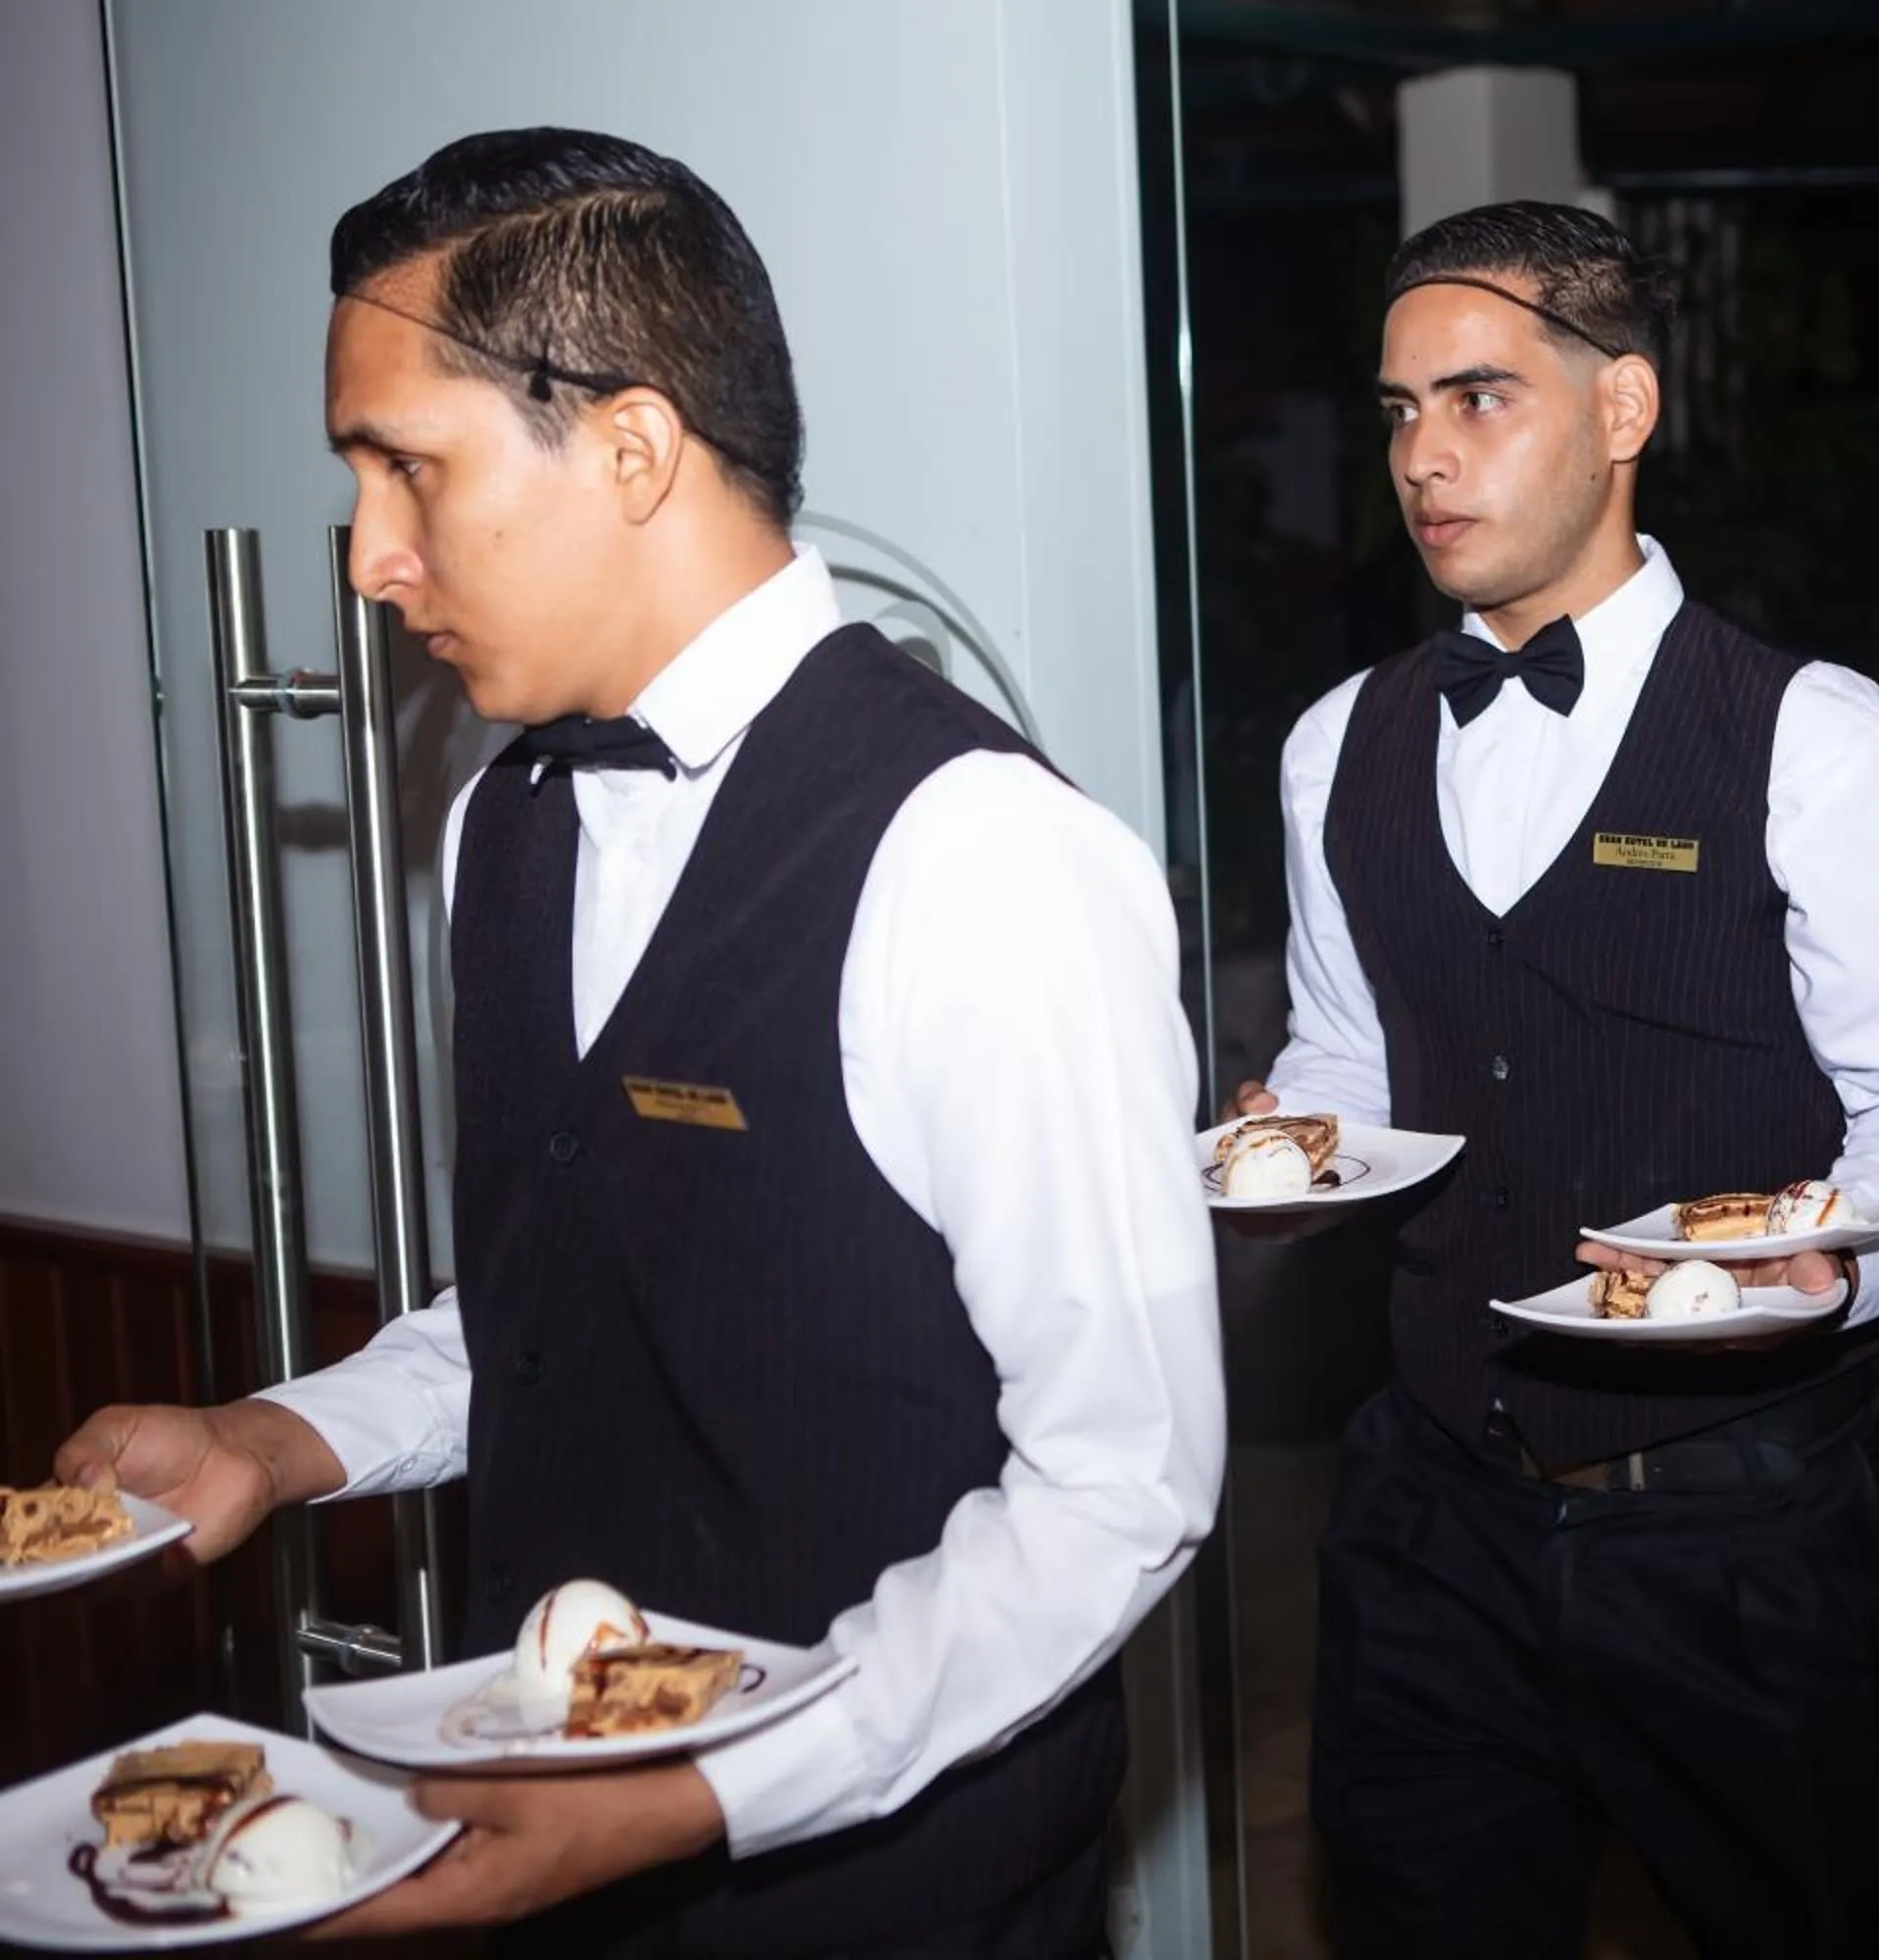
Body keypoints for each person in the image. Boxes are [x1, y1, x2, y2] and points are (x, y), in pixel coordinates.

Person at [55, 127, 1223, 1956]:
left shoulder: (983, 856)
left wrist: (705, 1794)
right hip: (534, 1839)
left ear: (630, 447)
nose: (368, 556)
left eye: (405, 468)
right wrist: (277, 1441)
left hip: (886, 1894)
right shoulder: (495, 824)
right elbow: (556, 1304)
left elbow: (1120, 1490)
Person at [1232, 201, 1879, 1959]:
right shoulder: (1333, 744)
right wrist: (1283, 1137)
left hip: (1741, 1522)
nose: (1424, 458)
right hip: (1432, 1502)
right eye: (1396, 413)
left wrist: (1854, 1258)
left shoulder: (1818, 736)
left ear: (1623, 409)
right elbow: (1352, 1050)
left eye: (1480, 398)